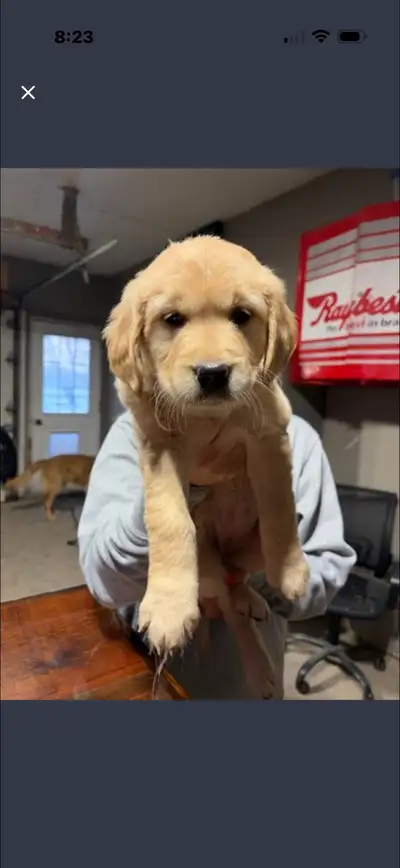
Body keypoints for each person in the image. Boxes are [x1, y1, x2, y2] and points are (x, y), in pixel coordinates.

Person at [78, 411, 356, 699]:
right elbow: (104, 583)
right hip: (148, 674)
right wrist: (178, 485)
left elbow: (328, 572)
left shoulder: (296, 439)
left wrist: (250, 579)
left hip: (244, 688)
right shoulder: (134, 431)